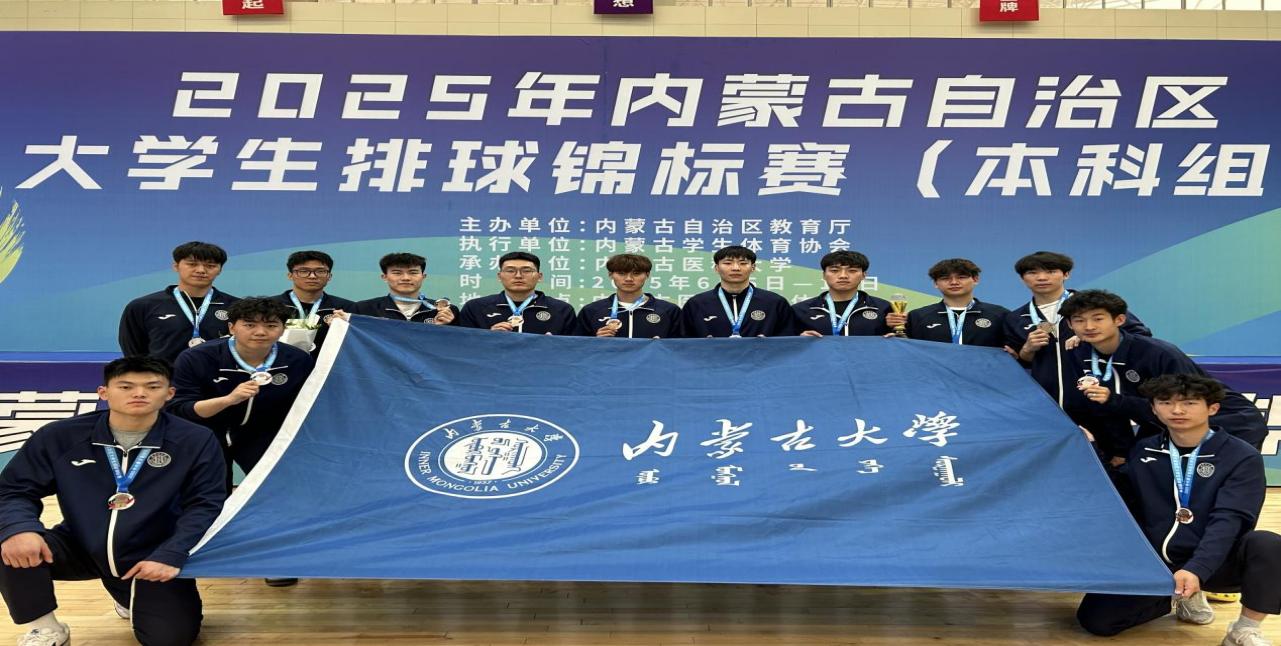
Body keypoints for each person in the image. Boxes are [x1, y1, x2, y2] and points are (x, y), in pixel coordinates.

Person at [0, 356, 226, 646]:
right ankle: (46, 629)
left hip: (150, 555)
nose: (139, 393)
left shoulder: (195, 440)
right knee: (10, 540)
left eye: (152, 386)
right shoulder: (60, 436)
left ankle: (129, 597)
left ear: (169, 393)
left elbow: (206, 504)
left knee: (170, 639)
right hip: (80, 545)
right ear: (103, 392)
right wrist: (19, 529)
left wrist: (171, 553)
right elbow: (13, 489)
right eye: (126, 386)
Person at [1076, 374, 1280, 645]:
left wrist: (1197, 568)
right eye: (1166, 402)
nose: (1177, 410)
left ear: (1212, 408)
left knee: (1266, 544)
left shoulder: (1241, 456)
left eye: (1189, 403)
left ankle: (1245, 629)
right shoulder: (1145, 449)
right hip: (1159, 561)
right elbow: (1121, 496)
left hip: (1217, 562)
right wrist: (1091, 451)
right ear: (1153, 409)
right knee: (1098, 621)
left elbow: (1229, 519)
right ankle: (1177, 596)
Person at [1061, 290, 1267, 461]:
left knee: (1215, 484)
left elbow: (1185, 403)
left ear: (1120, 319)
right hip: (1165, 424)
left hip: (1228, 422)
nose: (1089, 327)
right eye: (1079, 320)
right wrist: (1119, 450)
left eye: (1098, 319)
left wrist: (1114, 400)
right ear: (1070, 325)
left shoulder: (1158, 353)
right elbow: (1105, 408)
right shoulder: (1080, 353)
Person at [169, 298, 315, 484]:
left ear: (283, 329)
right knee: (212, 492)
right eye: (249, 325)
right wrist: (228, 400)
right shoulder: (197, 358)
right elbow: (180, 409)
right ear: (232, 328)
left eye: (271, 325)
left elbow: (305, 405)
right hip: (207, 433)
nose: (260, 332)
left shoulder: (297, 360)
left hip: (264, 434)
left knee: (276, 486)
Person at [1003, 251, 1149, 407]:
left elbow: (1140, 337)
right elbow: (1021, 363)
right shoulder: (1015, 318)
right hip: (1049, 405)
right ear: (1022, 278)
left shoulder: (1096, 304)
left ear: (1066, 274)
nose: (1042, 278)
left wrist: (1093, 337)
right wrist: (1027, 350)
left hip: (1099, 396)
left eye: (1051, 271)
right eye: (1032, 273)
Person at [118, 241, 240, 364]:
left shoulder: (236, 307)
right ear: (176, 266)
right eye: (192, 264)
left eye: (210, 265)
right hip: (164, 375)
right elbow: (133, 353)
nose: (201, 270)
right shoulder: (142, 306)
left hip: (216, 376)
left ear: (220, 270)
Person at [681, 245, 798, 338]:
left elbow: (788, 341)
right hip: (711, 361)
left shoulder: (774, 302)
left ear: (753, 268)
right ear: (716, 268)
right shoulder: (697, 304)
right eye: (728, 263)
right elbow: (683, 342)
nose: (736, 268)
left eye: (743, 263)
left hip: (762, 361)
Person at [457, 252, 577, 335]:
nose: (518, 276)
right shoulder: (475, 307)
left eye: (526, 271)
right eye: (510, 271)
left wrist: (554, 345)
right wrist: (488, 337)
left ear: (539, 277)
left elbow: (574, 349)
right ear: (499, 276)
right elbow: (463, 346)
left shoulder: (562, 310)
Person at [904, 258, 1010, 348]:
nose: (954, 282)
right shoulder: (918, 316)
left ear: (975, 279)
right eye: (945, 278)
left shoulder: (999, 315)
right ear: (936, 283)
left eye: (961, 277)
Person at [576, 254, 682, 339]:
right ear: (610, 275)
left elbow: (681, 348)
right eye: (621, 273)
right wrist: (595, 341)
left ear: (647, 275)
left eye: (636, 273)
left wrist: (663, 346)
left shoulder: (669, 311)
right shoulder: (591, 311)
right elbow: (577, 349)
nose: (629, 279)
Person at [271, 250, 355, 354]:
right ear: (290, 275)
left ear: (329, 276)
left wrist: (344, 328)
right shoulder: (270, 307)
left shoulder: (346, 308)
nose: (312, 276)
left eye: (320, 271)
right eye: (303, 271)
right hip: (282, 362)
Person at [794, 251, 891, 337]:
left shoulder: (883, 308)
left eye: (852, 271)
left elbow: (895, 341)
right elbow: (788, 343)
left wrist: (895, 336)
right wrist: (799, 339)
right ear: (824, 275)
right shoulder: (800, 310)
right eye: (834, 270)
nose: (843, 276)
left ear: (864, 275)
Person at [348, 253, 458, 325]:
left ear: (423, 277)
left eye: (413, 272)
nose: (406, 278)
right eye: (397, 273)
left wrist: (446, 327)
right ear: (384, 277)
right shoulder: (363, 309)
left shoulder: (445, 311)